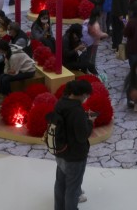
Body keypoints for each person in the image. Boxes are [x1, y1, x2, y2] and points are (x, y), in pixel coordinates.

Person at [52, 80, 95, 209]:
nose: (86, 98)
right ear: (82, 94)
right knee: (73, 188)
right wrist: (90, 122)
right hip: (74, 156)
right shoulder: (76, 111)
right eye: (86, 95)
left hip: (60, 151)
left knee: (60, 183)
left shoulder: (61, 103)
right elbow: (82, 136)